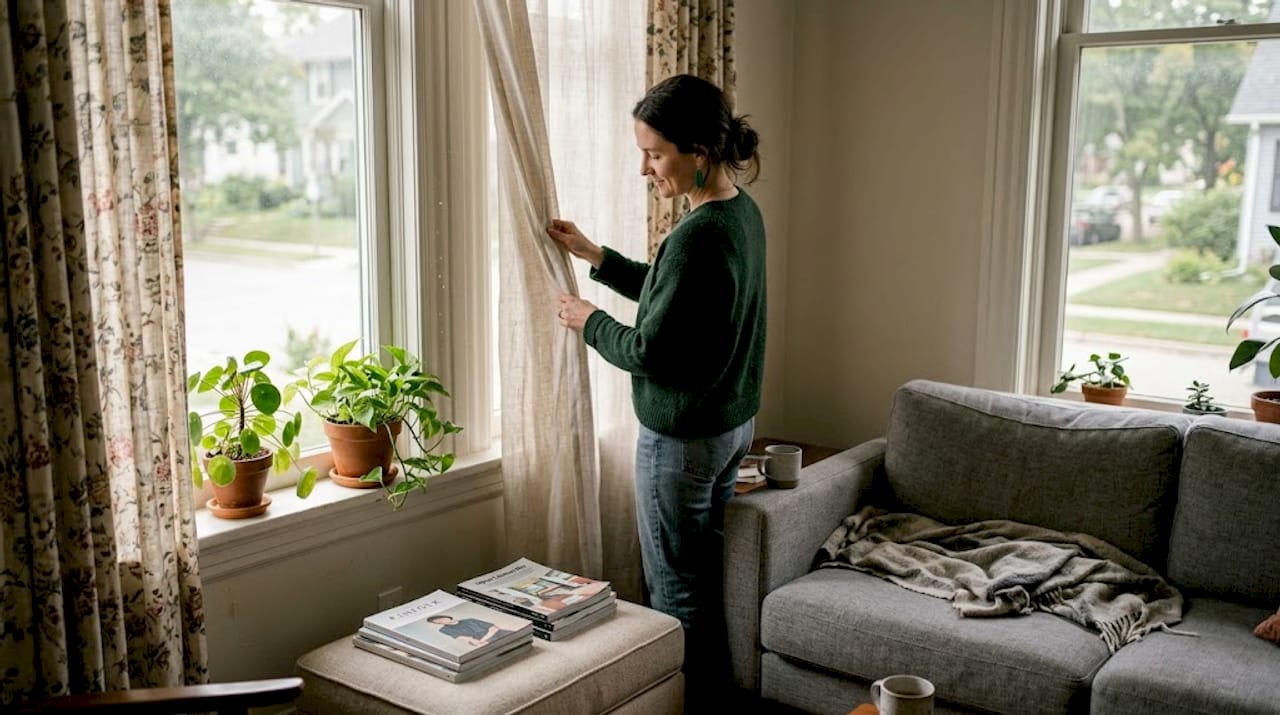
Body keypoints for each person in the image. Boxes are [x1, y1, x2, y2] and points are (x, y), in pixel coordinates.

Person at [546, 73, 765, 707]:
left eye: (655, 153)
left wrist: (590, 322)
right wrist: (595, 253)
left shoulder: (699, 236)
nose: (646, 168)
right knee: (704, 581)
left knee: (675, 596)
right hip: (730, 428)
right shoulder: (739, 213)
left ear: (698, 151)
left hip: (684, 440)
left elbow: (650, 350)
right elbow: (676, 300)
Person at [426, 614, 512, 649]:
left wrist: (483, 640)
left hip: (496, 634)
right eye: (439, 622)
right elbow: (464, 638)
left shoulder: (469, 620)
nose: (443, 621)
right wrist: (479, 642)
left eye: (442, 619)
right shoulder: (444, 630)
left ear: (447, 616)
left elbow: (494, 628)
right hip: (479, 640)